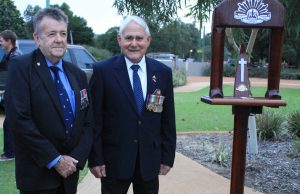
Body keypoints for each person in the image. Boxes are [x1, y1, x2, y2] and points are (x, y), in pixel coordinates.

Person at [5, 8, 93, 194]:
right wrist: (55, 160)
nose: (59, 39)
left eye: (62, 33)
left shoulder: (77, 74)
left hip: (69, 175)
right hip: (37, 177)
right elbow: (18, 119)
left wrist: (74, 159)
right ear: (37, 38)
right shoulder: (21, 68)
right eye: (51, 34)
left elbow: (87, 122)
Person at [88, 15, 176, 194]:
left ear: (148, 40)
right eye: (128, 38)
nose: (134, 43)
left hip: (149, 162)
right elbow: (94, 120)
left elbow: (168, 120)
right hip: (114, 162)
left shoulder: (163, 73)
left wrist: (167, 157)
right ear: (120, 40)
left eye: (139, 38)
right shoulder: (103, 71)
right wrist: (95, 159)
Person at [0, 30, 22, 161]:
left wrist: (4, 91)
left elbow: (15, 80)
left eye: (2, 40)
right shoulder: (9, 55)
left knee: (9, 124)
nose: (0, 43)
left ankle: (10, 154)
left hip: (16, 96)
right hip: (12, 95)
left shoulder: (15, 57)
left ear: (9, 41)